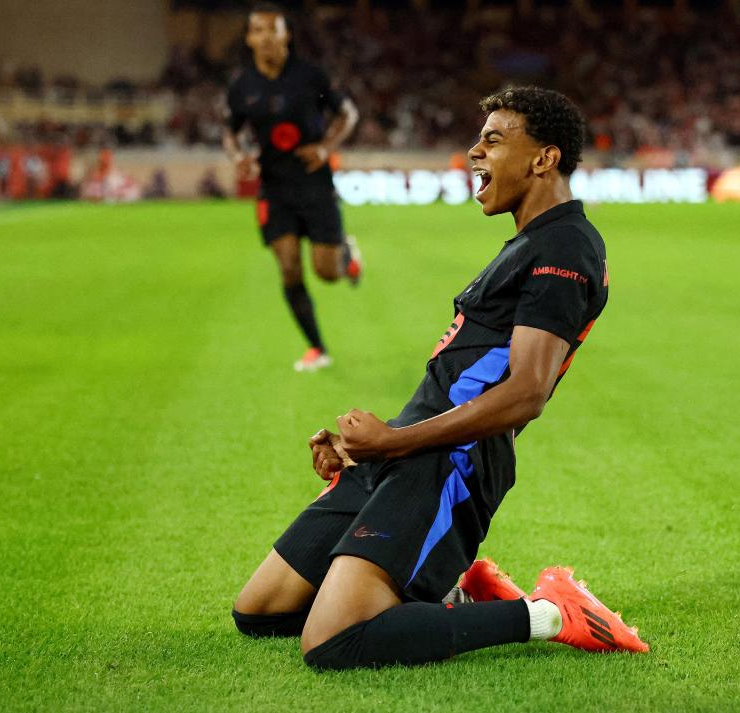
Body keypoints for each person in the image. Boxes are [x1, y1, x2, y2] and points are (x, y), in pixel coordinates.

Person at [231, 86, 649, 669]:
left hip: (453, 463)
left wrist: (394, 442)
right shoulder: (528, 243)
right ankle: (452, 593)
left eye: (493, 140)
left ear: (544, 158)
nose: (475, 152)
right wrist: (369, 448)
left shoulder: (565, 247)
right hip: (411, 447)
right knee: (260, 612)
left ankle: (550, 613)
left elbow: (526, 393)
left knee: (331, 642)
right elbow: (461, 377)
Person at [223, 2, 361, 372]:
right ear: (249, 38)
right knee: (288, 267)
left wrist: (325, 147)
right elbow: (230, 132)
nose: (266, 37)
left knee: (326, 273)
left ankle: (345, 254)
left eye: (273, 29)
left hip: (314, 183)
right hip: (274, 188)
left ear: (287, 35)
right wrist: (238, 156)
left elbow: (348, 114)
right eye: (258, 30)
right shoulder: (242, 86)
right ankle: (317, 347)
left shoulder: (310, 76)